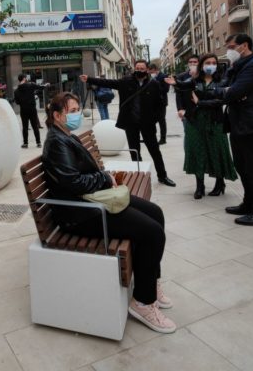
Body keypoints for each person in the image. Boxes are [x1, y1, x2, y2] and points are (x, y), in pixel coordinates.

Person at [41, 92, 176, 333]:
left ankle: (151, 284)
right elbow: (73, 182)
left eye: (76, 109)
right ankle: (143, 303)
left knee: (155, 213)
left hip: (93, 200)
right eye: (71, 111)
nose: (76, 115)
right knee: (153, 233)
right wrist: (104, 177)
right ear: (57, 115)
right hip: (82, 214)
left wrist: (105, 178)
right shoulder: (55, 142)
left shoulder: (65, 135)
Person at [81, 60, 175, 187]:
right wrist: (89, 79)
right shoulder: (125, 81)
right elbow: (108, 82)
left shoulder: (154, 84)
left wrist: (154, 119)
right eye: (137, 67)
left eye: (142, 68)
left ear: (147, 70)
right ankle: (139, 174)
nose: (139, 70)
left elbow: (160, 104)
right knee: (134, 151)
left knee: (155, 150)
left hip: (148, 124)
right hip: (131, 123)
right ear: (134, 68)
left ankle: (162, 176)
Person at [215, 34, 253, 226]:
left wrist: (229, 93)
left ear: (244, 46)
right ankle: (248, 203)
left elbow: (232, 91)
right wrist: (227, 92)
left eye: (232, 46)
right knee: (242, 167)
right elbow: (223, 87)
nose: (229, 50)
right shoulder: (237, 66)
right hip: (238, 123)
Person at [167, 54, 237, 199]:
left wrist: (200, 103)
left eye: (213, 62)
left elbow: (220, 101)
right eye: (207, 62)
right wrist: (176, 83)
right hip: (195, 121)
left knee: (217, 151)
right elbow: (184, 86)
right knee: (197, 151)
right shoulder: (194, 80)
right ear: (202, 65)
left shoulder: (223, 81)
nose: (210, 65)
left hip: (215, 122)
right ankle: (200, 186)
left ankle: (219, 183)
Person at [14, 74, 49, 148]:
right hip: (32, 109)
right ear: (24, 78)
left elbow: (17, 102)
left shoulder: (16, 91)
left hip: (23, 110)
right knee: (35, 126)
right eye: (25, 78)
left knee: (25, 127)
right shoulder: (31, 85)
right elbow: (40, 87)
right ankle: (38, 143)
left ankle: (25, 143)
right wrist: (46, 85)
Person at [148, 64, 170, 144]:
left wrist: (155, 83)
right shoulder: (150, 77)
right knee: (151, 121)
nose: (150, 73)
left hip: (161, 102)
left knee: (161, 121)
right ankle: (151, 137)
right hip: (152, 103)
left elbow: (166, 90)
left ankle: (163, 139)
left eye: (151, 71)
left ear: (155, 69)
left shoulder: (164, 76)